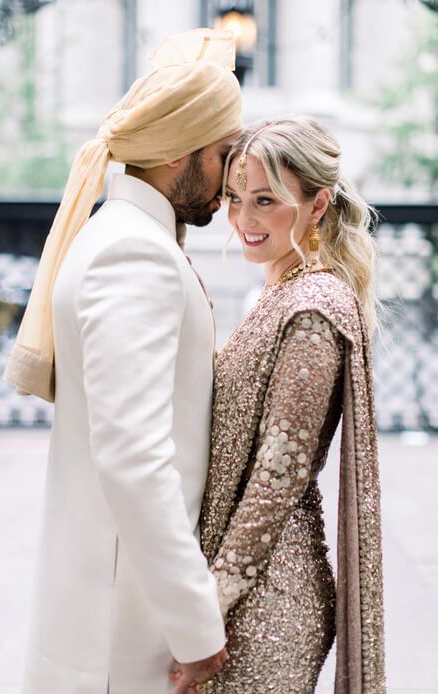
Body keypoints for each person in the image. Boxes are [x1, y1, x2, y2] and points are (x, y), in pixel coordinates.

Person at [3, 29, 242, 694]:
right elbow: (134, 454)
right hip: (122, 627)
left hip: (114, 607)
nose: (233, 178)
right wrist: (197, 625)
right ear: (175, 152)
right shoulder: (131, 255)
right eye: (224, 154)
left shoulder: (125, 238)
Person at [200, 116, 386, 693]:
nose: (243, 219)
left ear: (317, 203)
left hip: (269, 601)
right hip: (248, 584)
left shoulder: (312, 308)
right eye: (234, 198)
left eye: (264, 200)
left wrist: (208, 607)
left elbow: (279, 476)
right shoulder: (280, 291)